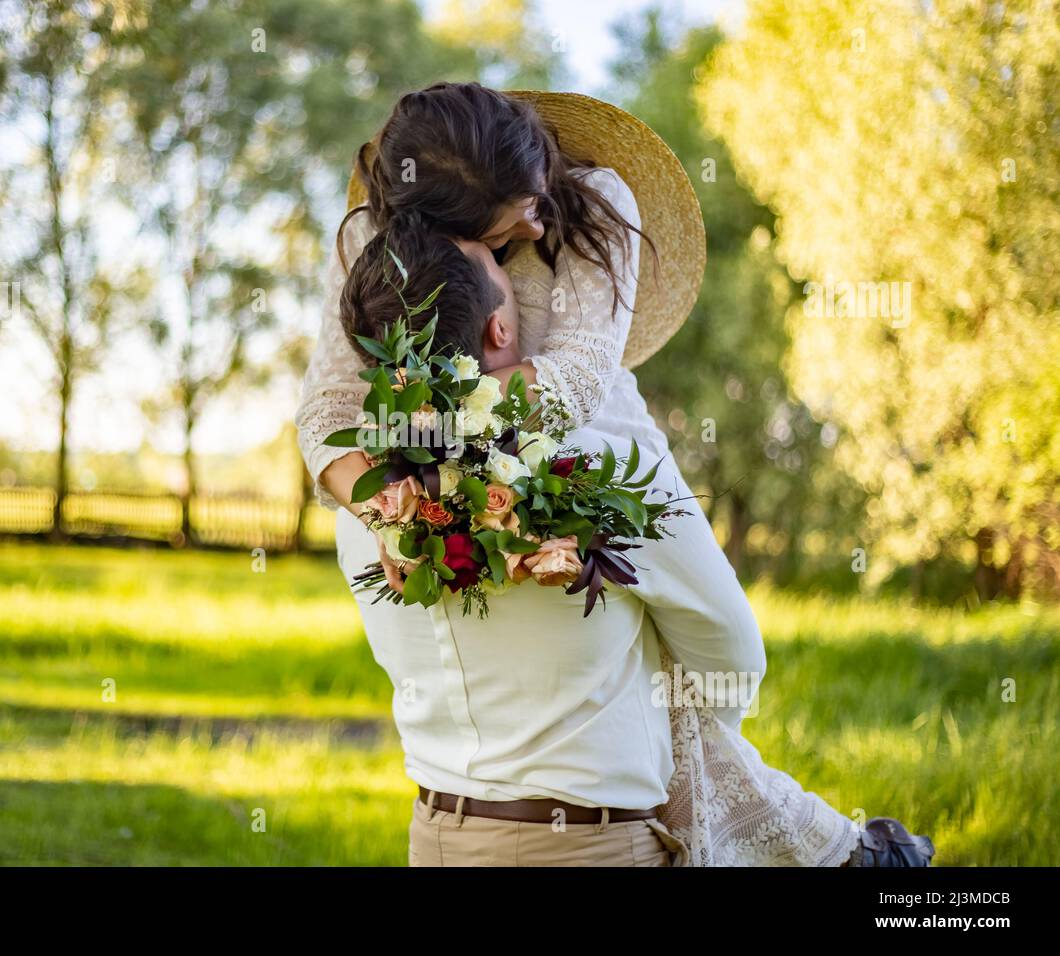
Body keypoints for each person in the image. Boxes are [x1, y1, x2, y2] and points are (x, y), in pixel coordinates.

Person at [297, 82, 933, 867]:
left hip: (436, 834)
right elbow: (732, 654)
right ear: (502, 324)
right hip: (593, 846)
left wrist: (428, 470)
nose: (535, 220)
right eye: (512, 224)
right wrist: (656, 740)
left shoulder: (367, 519)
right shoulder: (592, 485)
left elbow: (335, 417)